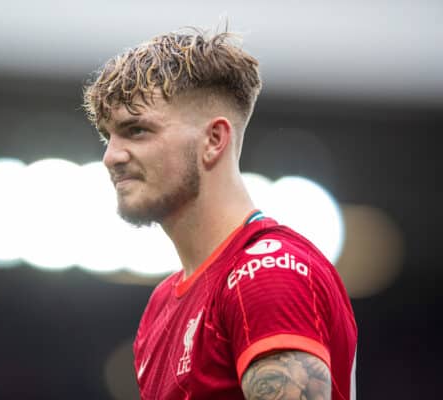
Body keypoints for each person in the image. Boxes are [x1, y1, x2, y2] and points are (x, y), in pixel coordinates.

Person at [83, 27, 357, 400]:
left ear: (214, 140)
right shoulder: (162, 304)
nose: (111, 156)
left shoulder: (267, 274)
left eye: (137, 130)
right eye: (107, 136)